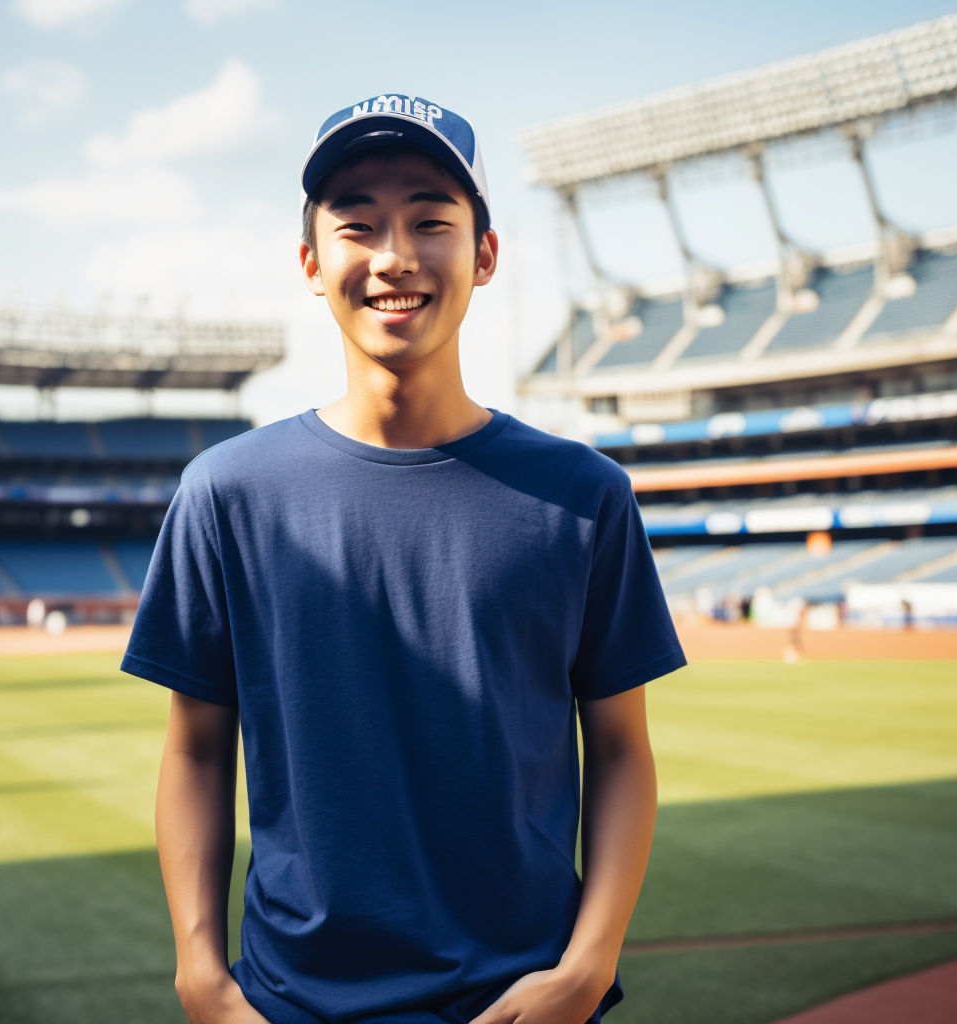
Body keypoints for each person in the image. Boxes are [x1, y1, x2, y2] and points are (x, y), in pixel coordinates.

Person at [122, 94, 686, 1024]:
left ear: (485, 255)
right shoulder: (225, 492)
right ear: (312, 263)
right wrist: (202, 976)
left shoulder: (585, 495)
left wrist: (586, 969)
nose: (394, 256)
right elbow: (193, 747)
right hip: (284, 1003)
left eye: (432, 219)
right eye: (357, 225)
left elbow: (621, 748)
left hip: (521, 999)